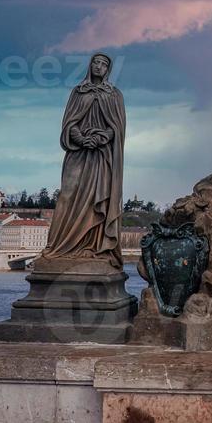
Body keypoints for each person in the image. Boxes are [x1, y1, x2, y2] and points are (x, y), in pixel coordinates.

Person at [42, 53, 125, 268]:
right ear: (90, 66)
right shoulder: (78, 92)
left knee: (99, 199)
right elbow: (69, 122)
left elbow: (118, 127)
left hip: (102, 155)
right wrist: (81, 139)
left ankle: (95, 247)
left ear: (108, 70)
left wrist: (101, 138)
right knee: (67, 195)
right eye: (95, 63)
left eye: (104, 64)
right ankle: (57, 245)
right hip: (78, 152)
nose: (99, 67)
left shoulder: (114, 95)